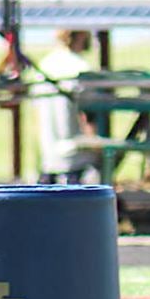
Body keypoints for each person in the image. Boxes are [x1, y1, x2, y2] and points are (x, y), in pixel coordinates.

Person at [32, 29, 98, 184]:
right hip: (74, 153)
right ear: (81, 35)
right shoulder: (80, 67)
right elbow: (89, 111)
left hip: (48, 153)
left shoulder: (44, 66)